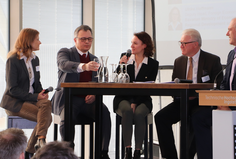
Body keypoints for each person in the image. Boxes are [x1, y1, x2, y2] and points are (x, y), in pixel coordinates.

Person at [154, 28, 223, 159]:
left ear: (195, 44)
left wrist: (196, 95)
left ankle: (193, 156)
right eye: (180, 43)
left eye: (184, 43)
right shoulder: (179, 61)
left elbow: (218, 86)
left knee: (196, 118)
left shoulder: (212, 60)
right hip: (182, 101)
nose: (181, 46)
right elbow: (175, 86)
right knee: (160, 117)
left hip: (202, 102)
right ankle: (170, 156)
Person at [51, 25, 111, 159]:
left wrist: (95, 94)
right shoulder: (65, 52)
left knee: (104, 113)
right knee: (67, 117)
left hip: (88, 101)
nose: (87, 42)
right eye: (83, 39)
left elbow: (100, 81)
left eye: (90, 39)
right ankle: (68, 153)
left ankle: (103, 153)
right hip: (68, 99)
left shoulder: (95, 59)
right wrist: (83, 66)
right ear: (75, 40)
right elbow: (63, 64)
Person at [0, 28, 52, 159]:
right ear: (29, 41)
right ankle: (32, 148)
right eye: (37, 39)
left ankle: (35, 145)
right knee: (47, 118)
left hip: (29, 100)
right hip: (14, 103)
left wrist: (42, 93)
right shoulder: (13, 60)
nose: (40, 42)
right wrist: (35, 97)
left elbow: (36, 83)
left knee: (46, 103)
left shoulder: (35, 60)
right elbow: (13, 89)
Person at [113, 31, 159, 159]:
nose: (131, 46)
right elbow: (117, 81)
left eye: (135, 43)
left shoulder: (153, 64)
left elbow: (148, 87)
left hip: (143, 99)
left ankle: (138, 151)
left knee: (139, 114)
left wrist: (135, 101)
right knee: (127, 111)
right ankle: (128, 150)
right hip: (123, 98)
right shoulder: (126, 58)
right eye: (131, 43)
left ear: (144, 45)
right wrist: (121, 65)